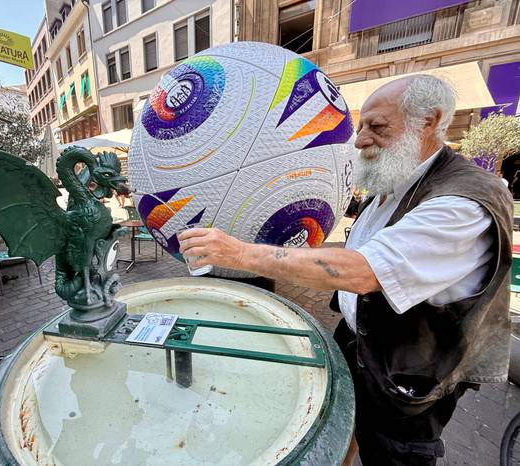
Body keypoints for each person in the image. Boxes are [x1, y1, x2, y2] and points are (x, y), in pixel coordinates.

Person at [178, 74, 512, 465]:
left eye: (377, 127)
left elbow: (364, 271)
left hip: (409, 374)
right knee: (346, 422)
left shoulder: (463, 202)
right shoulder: (396, 183)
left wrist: (237, 253)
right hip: (360, 343)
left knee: (394, 452)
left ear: (429, 121)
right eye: (361, 126)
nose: (360, 139)